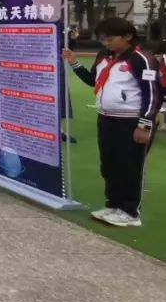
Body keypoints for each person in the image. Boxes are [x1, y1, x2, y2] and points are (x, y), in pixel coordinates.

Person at [63, 17, 159, 228]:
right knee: (109, 165)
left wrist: (144, 125)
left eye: (110, 39)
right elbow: (93, 81)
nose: (106, 43)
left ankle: (130, 212)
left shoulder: (141, 59)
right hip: (106, 118)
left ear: (128, 36)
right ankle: (114, 205)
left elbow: (152, 95)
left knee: (130, 166)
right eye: (102, 39)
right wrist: (74, 63)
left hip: (131, 121)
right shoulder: (103, 56)